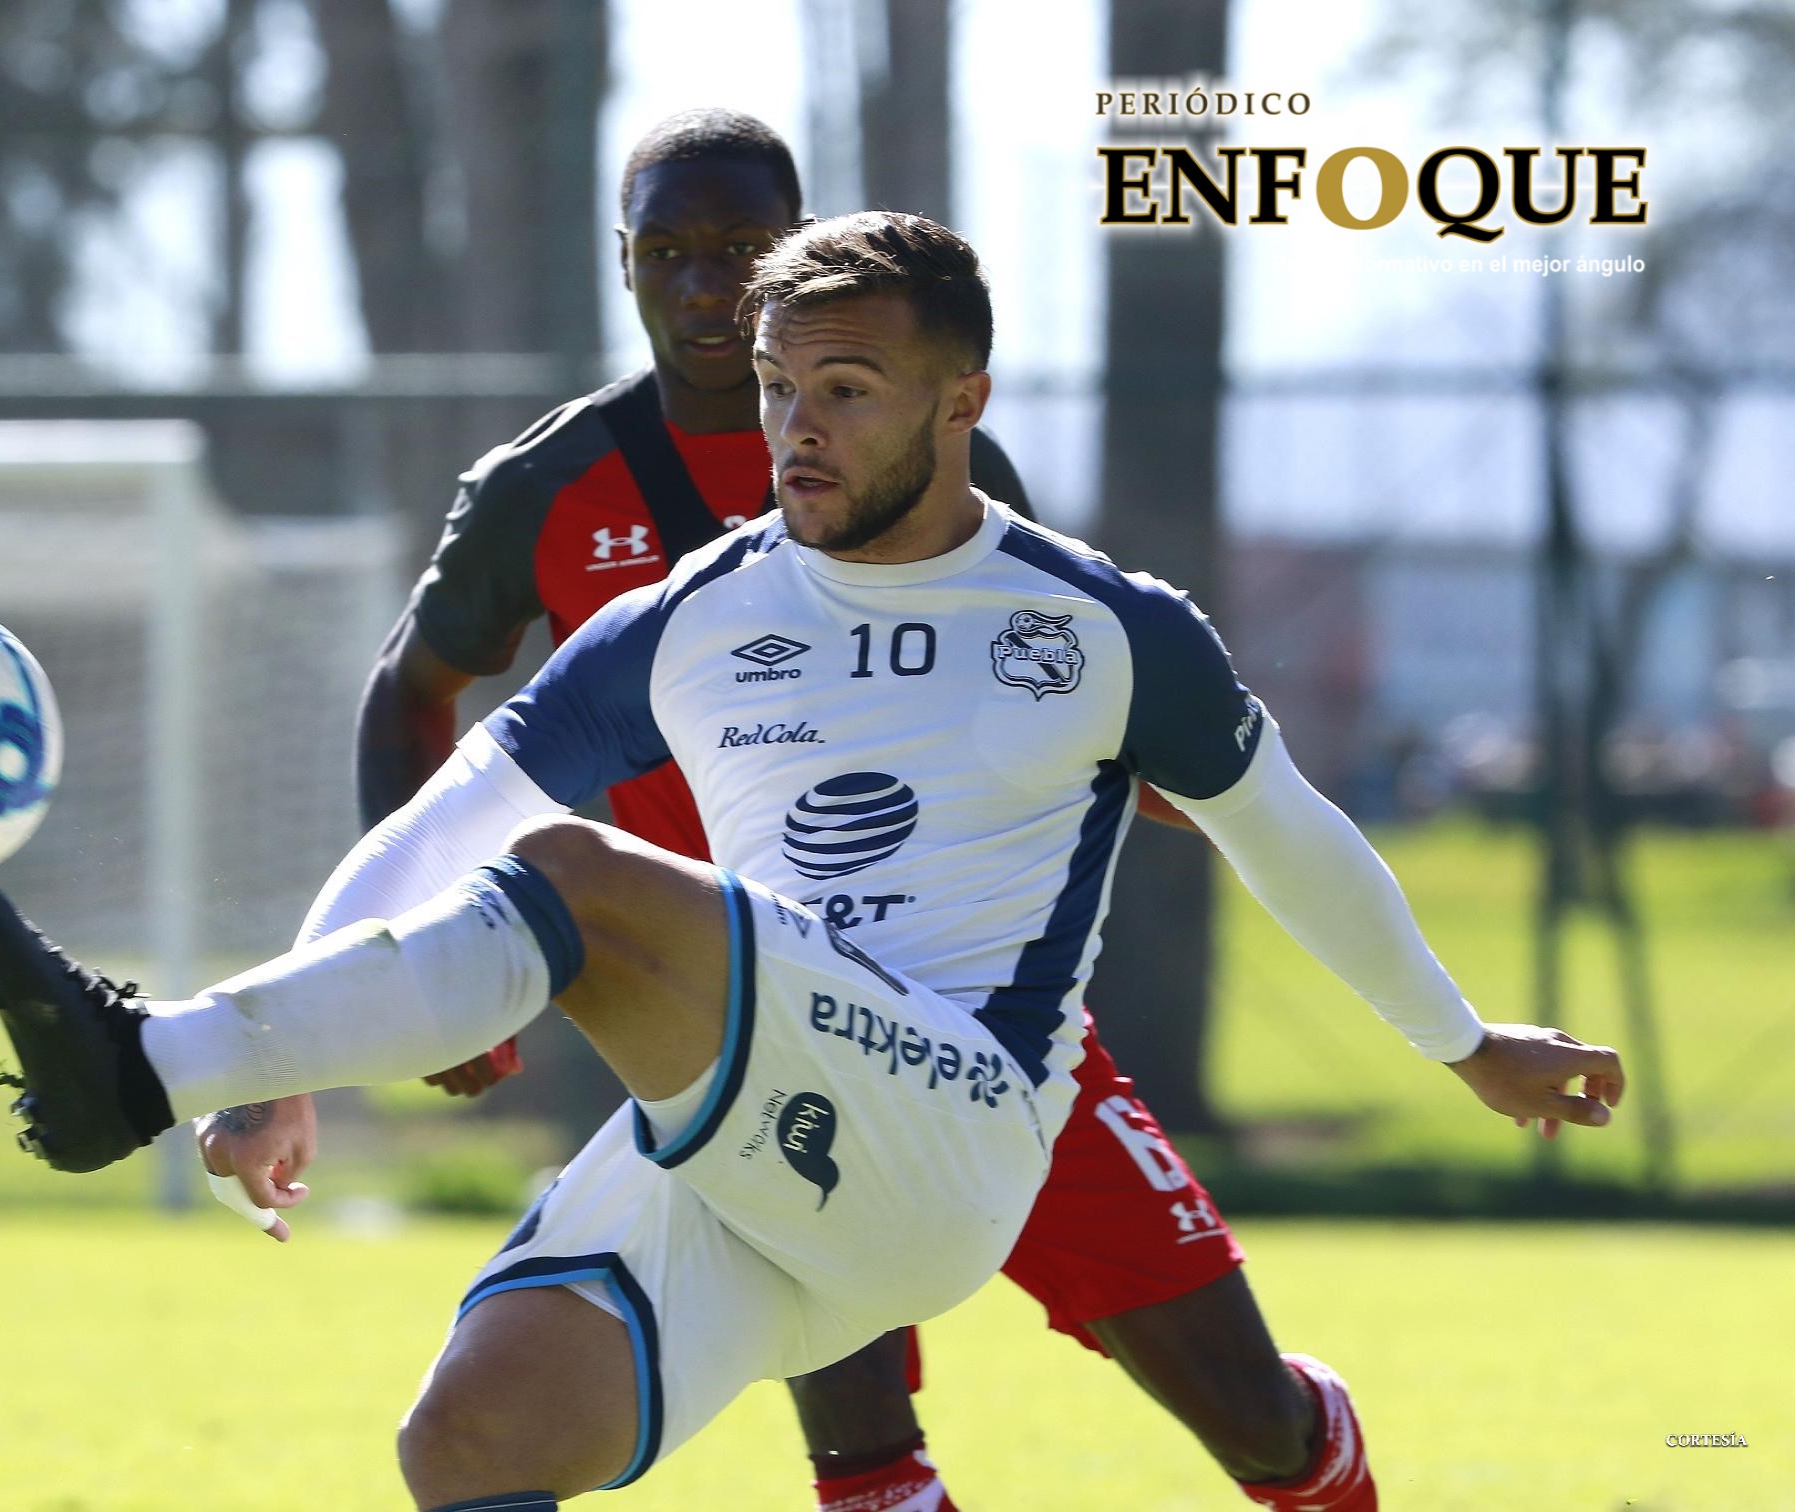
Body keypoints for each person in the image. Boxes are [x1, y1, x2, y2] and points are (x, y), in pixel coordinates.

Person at [0, 209, 1624, 1512]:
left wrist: (1468, 1045)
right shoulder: (685, 617)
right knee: (465, 1442)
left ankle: (133, 1068)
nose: (792, 432)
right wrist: (285, 1068)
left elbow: (1302, 844)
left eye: (844, 391)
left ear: (962, 400)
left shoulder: (1105, 629)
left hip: (959, 1132)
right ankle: (174, 1063)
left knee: (589, 884)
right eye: (772, 392)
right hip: (746, 1151)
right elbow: (434, 823)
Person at [356, 109, 1340, 1512]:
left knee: (1254, 1423)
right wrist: (437, 961)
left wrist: (1228, 802)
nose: (705, 286)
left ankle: (1312, 1454)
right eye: (671, 252)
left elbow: (1068, 688)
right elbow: (416, 693)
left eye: (742, 252)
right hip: (725, 1027)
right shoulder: (546, 488)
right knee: (860, 1466)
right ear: (622, 263)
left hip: (971, 1011)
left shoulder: (932, 465)